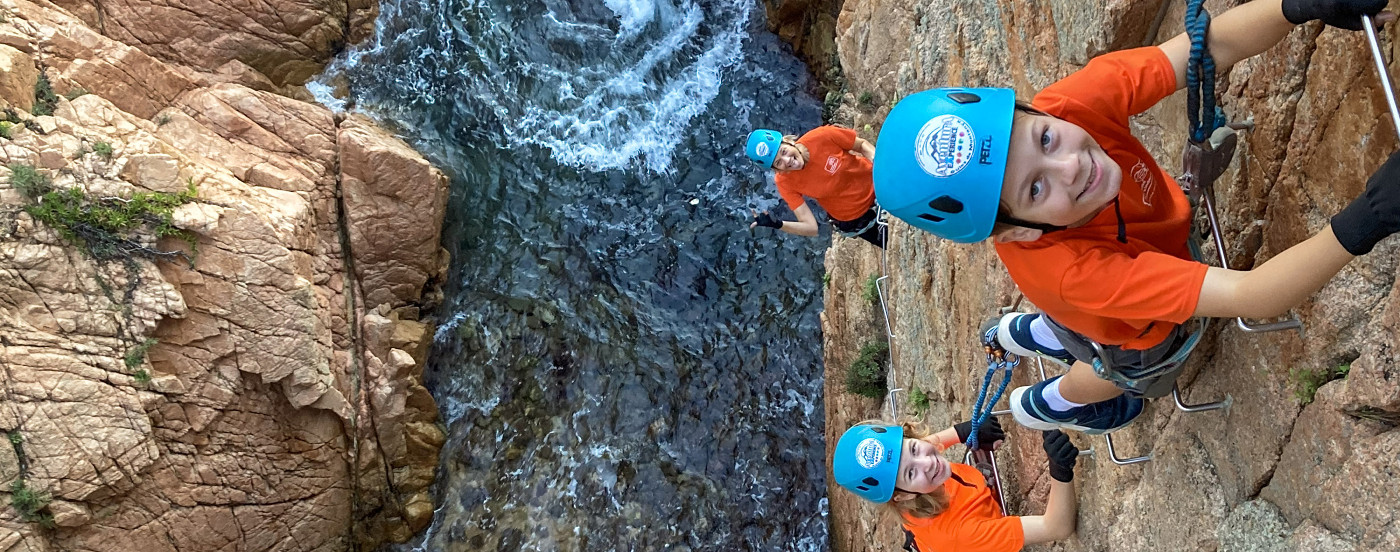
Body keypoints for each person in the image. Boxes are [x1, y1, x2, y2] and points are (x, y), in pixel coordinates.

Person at [871, 0, 1400, 433]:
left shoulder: (1067, 106)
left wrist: (1297, 6)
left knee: (1072, 319)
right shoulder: (1078, 272)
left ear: (1034, 110)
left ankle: (1038, 329)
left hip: (1100, 283)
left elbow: (1205, 47)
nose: (1072, 165)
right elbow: (1254, 293)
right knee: (1120, 367)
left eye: (1045, 138)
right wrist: (1374, 213)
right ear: (1017, 230)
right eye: (1036, 187)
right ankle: (1048, 405)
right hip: (1129, 325)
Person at [833, 418, 1081, 551]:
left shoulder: (915, 481)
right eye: (910, 473)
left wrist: (960, 432)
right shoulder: (962, 534)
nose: (927, 462)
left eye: (915, 448)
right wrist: (1059, 471)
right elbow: (1056, 527)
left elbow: (911, 455)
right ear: (902, 496)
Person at [745, 126, 885, 247]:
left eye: (784, 151)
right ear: (776, 169)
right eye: (778, 162)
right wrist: (778, 224)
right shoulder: (784, 182)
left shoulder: (821, 136)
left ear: (787, 141)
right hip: (857, 218)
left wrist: (879, 164)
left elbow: (860, 145)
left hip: (879, 184)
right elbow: (811, 228)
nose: (787, 160)